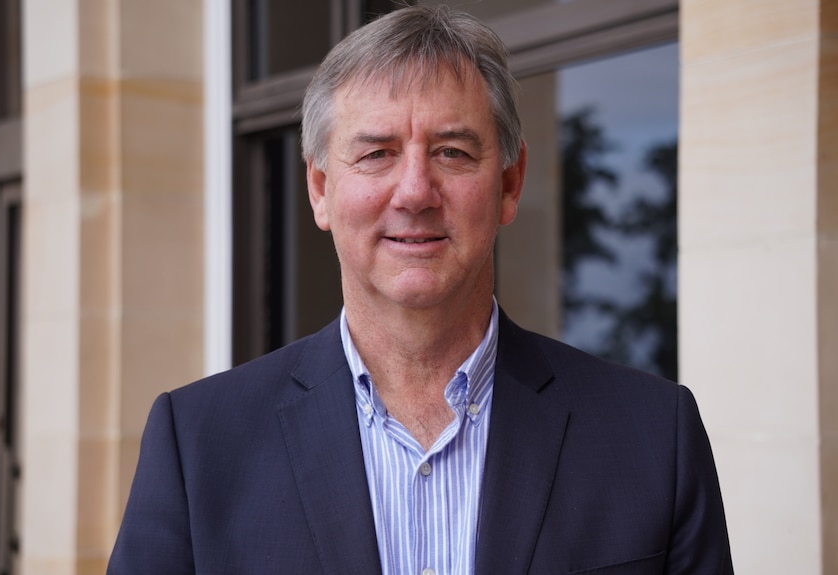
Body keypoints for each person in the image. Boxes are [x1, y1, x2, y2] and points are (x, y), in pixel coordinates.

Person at [108, 5, 733, 574]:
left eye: (453, 153)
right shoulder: (198, 446)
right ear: (321, 188)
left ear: (510, 184)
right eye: (377, 153)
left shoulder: (653, 438)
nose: (414, 191)